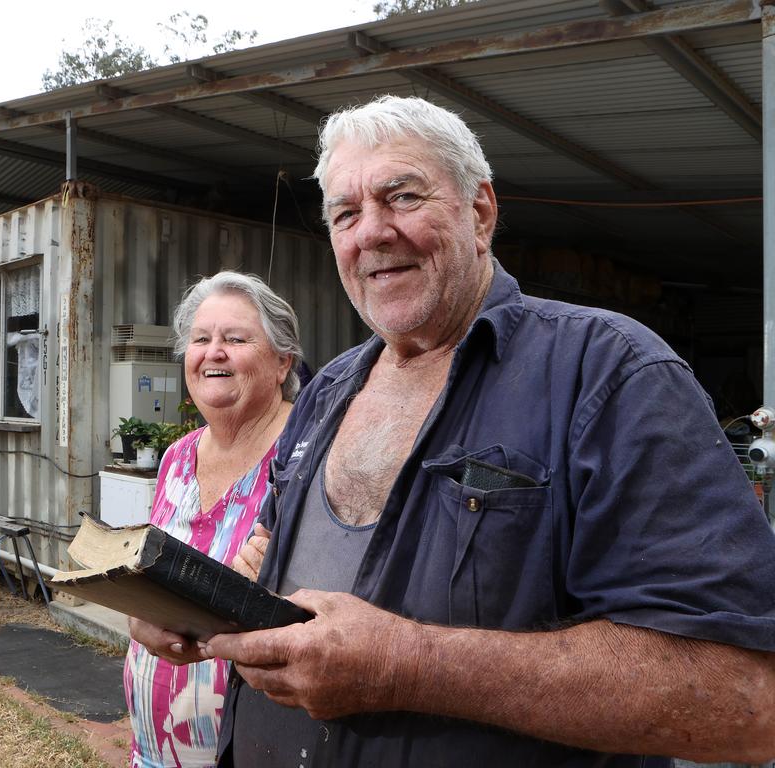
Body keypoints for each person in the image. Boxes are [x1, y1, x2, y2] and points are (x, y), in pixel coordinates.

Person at [204, 95, 775, 767]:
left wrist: (405, 665)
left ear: (479, 213)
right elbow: (273, 559)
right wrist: (194, 607)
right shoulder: (327, 388)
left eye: (403, 197)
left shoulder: (608, 372)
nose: (373, 233)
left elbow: (743, 697)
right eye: (346, 213)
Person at [123, 271, 303, 768]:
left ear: (282, 362)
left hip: (254, 750)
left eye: (236, 338)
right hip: (153, 752)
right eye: (201, 339)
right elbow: (153, 578)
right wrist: (138, 617)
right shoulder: (177, 458)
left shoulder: (307, 460)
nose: (213, 352)